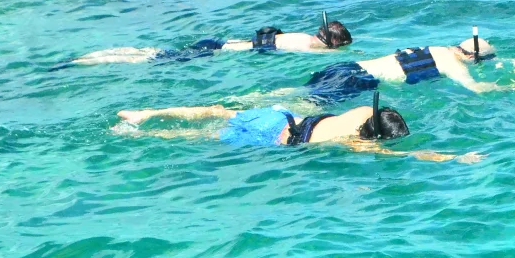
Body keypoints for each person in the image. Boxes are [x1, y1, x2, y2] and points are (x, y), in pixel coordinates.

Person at [116, 92, 482, 163]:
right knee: (203, 136)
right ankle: (145, 131)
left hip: (280, 116)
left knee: (217, 111)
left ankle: (145, 113)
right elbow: (415, 155)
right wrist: (452, 158)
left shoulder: (360, 113)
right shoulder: (357, 142)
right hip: (274, 138)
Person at [301, 29, 515, 105]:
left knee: (297, 93)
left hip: (346, 67)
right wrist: (513, 86)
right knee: (308, 106)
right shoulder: (454, 66)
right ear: (473, 59)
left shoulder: (438, 49)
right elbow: (477, 89)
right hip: (357, 81)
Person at [61, 13, 352, 67]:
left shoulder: (301, 36)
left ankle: (87, 57)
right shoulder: (307, 48)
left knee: (148, 51)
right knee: (148, 58)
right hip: (214, 56)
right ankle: (88, 62)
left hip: (217, 43)